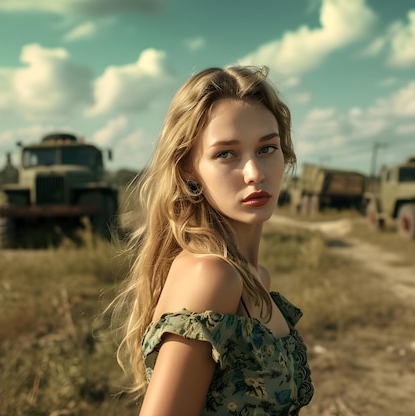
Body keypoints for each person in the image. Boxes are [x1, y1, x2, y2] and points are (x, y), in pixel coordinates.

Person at [110, 65, 314, 416]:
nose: (255, 173)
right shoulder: (212, 275)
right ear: (189, 170)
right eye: (226, 154)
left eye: (267, 148)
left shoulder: (254, 277)